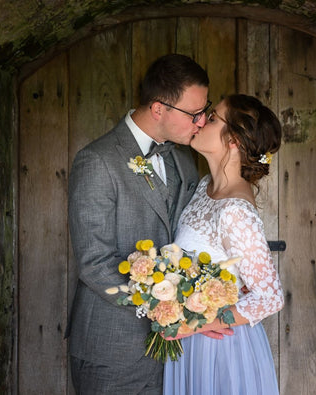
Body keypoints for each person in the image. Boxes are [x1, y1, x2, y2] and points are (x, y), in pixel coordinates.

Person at [66, 54, 211, 394]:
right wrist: (163, 306)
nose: (202, 121)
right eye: (194, 113)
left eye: (205, 111)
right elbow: (94, 262)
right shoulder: (97, 161)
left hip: (175, 352)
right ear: (159, 109)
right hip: (110, 350)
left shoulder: (184, 159)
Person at [163, 94, 285, 395]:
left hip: (220, 348)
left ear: (233, 141)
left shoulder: (235, 212)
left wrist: (196, 325)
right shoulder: (205, 186)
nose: (201, 120)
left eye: (213, 118)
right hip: (193, 341)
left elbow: (271, 298)